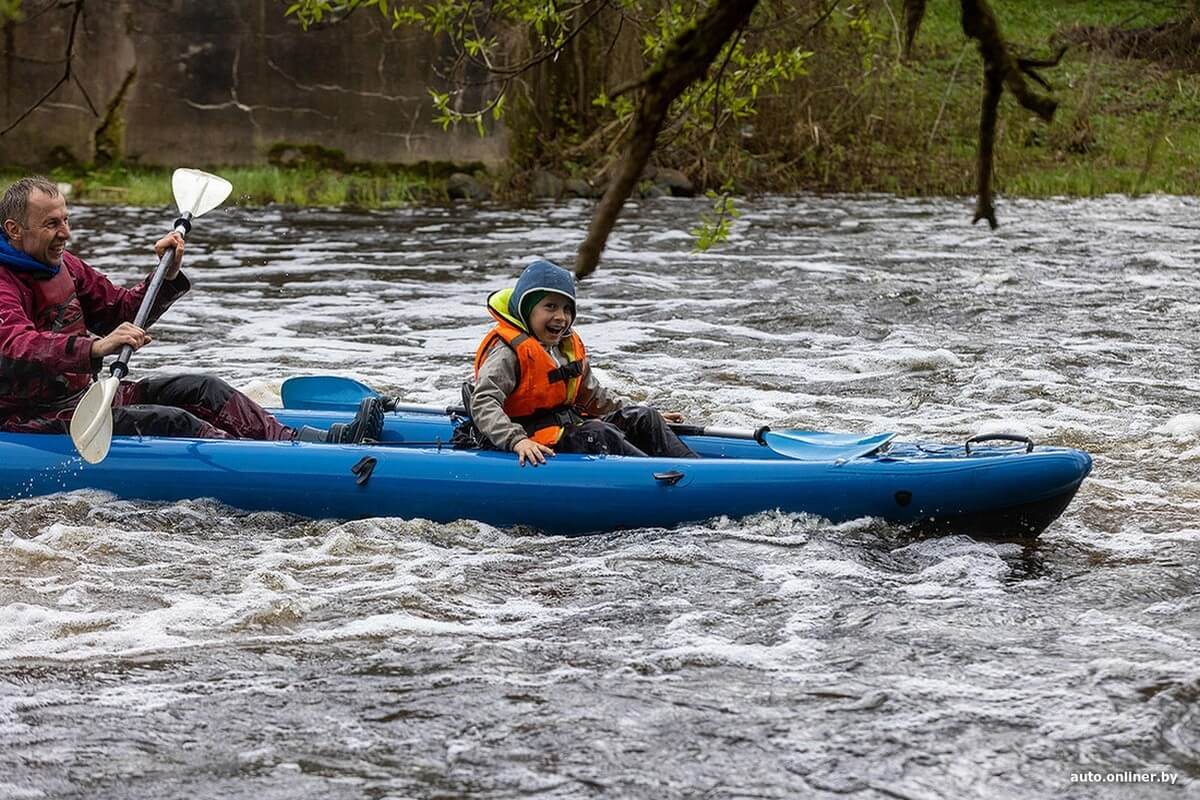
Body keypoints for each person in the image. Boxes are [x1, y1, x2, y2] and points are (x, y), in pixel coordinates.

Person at [0, 176, 381, 443]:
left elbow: (121, 312)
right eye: (52, 224)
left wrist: (165, 276)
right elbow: (16, 345)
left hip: (84, 399)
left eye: (66, 220)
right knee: (172, 421)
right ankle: (262, 462)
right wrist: (95, 348)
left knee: (204, 389)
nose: (65, 233)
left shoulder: (64, 265)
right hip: (28, 418)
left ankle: (303, 441)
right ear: (14, 230)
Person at [468, 258, 698, 466]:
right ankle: (666, 476)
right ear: (526, 309)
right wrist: (517, 441)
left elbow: (593, 396)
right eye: (550, 306)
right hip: (529, 436)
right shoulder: (507, 352)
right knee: (599, 433)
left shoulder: (565, 347)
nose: (561, 317)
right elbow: (483, 402)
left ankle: (693, 468)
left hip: (564, 426)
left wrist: (640, 414)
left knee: (645, 416)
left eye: (567, 309)